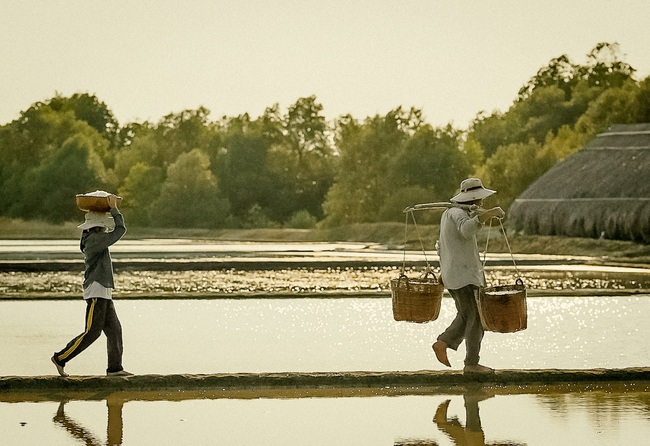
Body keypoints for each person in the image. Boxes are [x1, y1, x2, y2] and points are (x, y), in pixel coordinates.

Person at [51, 195, 132, 377]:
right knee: (92, 333)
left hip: (103, 289)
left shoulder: (94, 237)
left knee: (114, 330)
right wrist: (114, 209)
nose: (105, 227)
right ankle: (60, 358)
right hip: (96, 290)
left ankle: (115, 369)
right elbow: (120, 230)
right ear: (98, 225)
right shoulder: (95, 240)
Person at [432, 178, 505, 374]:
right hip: (464, 277)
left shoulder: (449, 214)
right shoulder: (457, 214)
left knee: (467, 316)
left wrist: (443, 270)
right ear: (474, 200)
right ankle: (471, 364)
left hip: (456, 274)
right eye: (480, 200)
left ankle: (443, 342)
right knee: (477, 319)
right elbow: (466, 230)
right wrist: (486, 216)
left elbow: (443, 246)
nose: (481, 204)